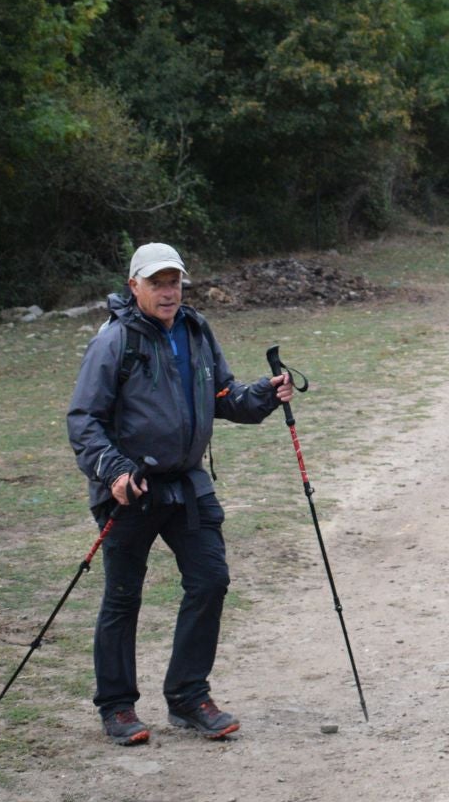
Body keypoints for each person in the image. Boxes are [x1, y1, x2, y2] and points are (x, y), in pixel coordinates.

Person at [66, 242, 292, 745]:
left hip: (188, 483)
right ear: (134, 286)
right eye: (157, 283)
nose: (168, 292)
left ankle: (189, 697)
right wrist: (115, 472)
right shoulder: (114, 341)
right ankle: (117, 706)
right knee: (123, 597)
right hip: (131, 489)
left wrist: (262, 394)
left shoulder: (195, 329)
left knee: (211, 580)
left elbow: (222, 397)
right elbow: (85, 421)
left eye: (174, 282)